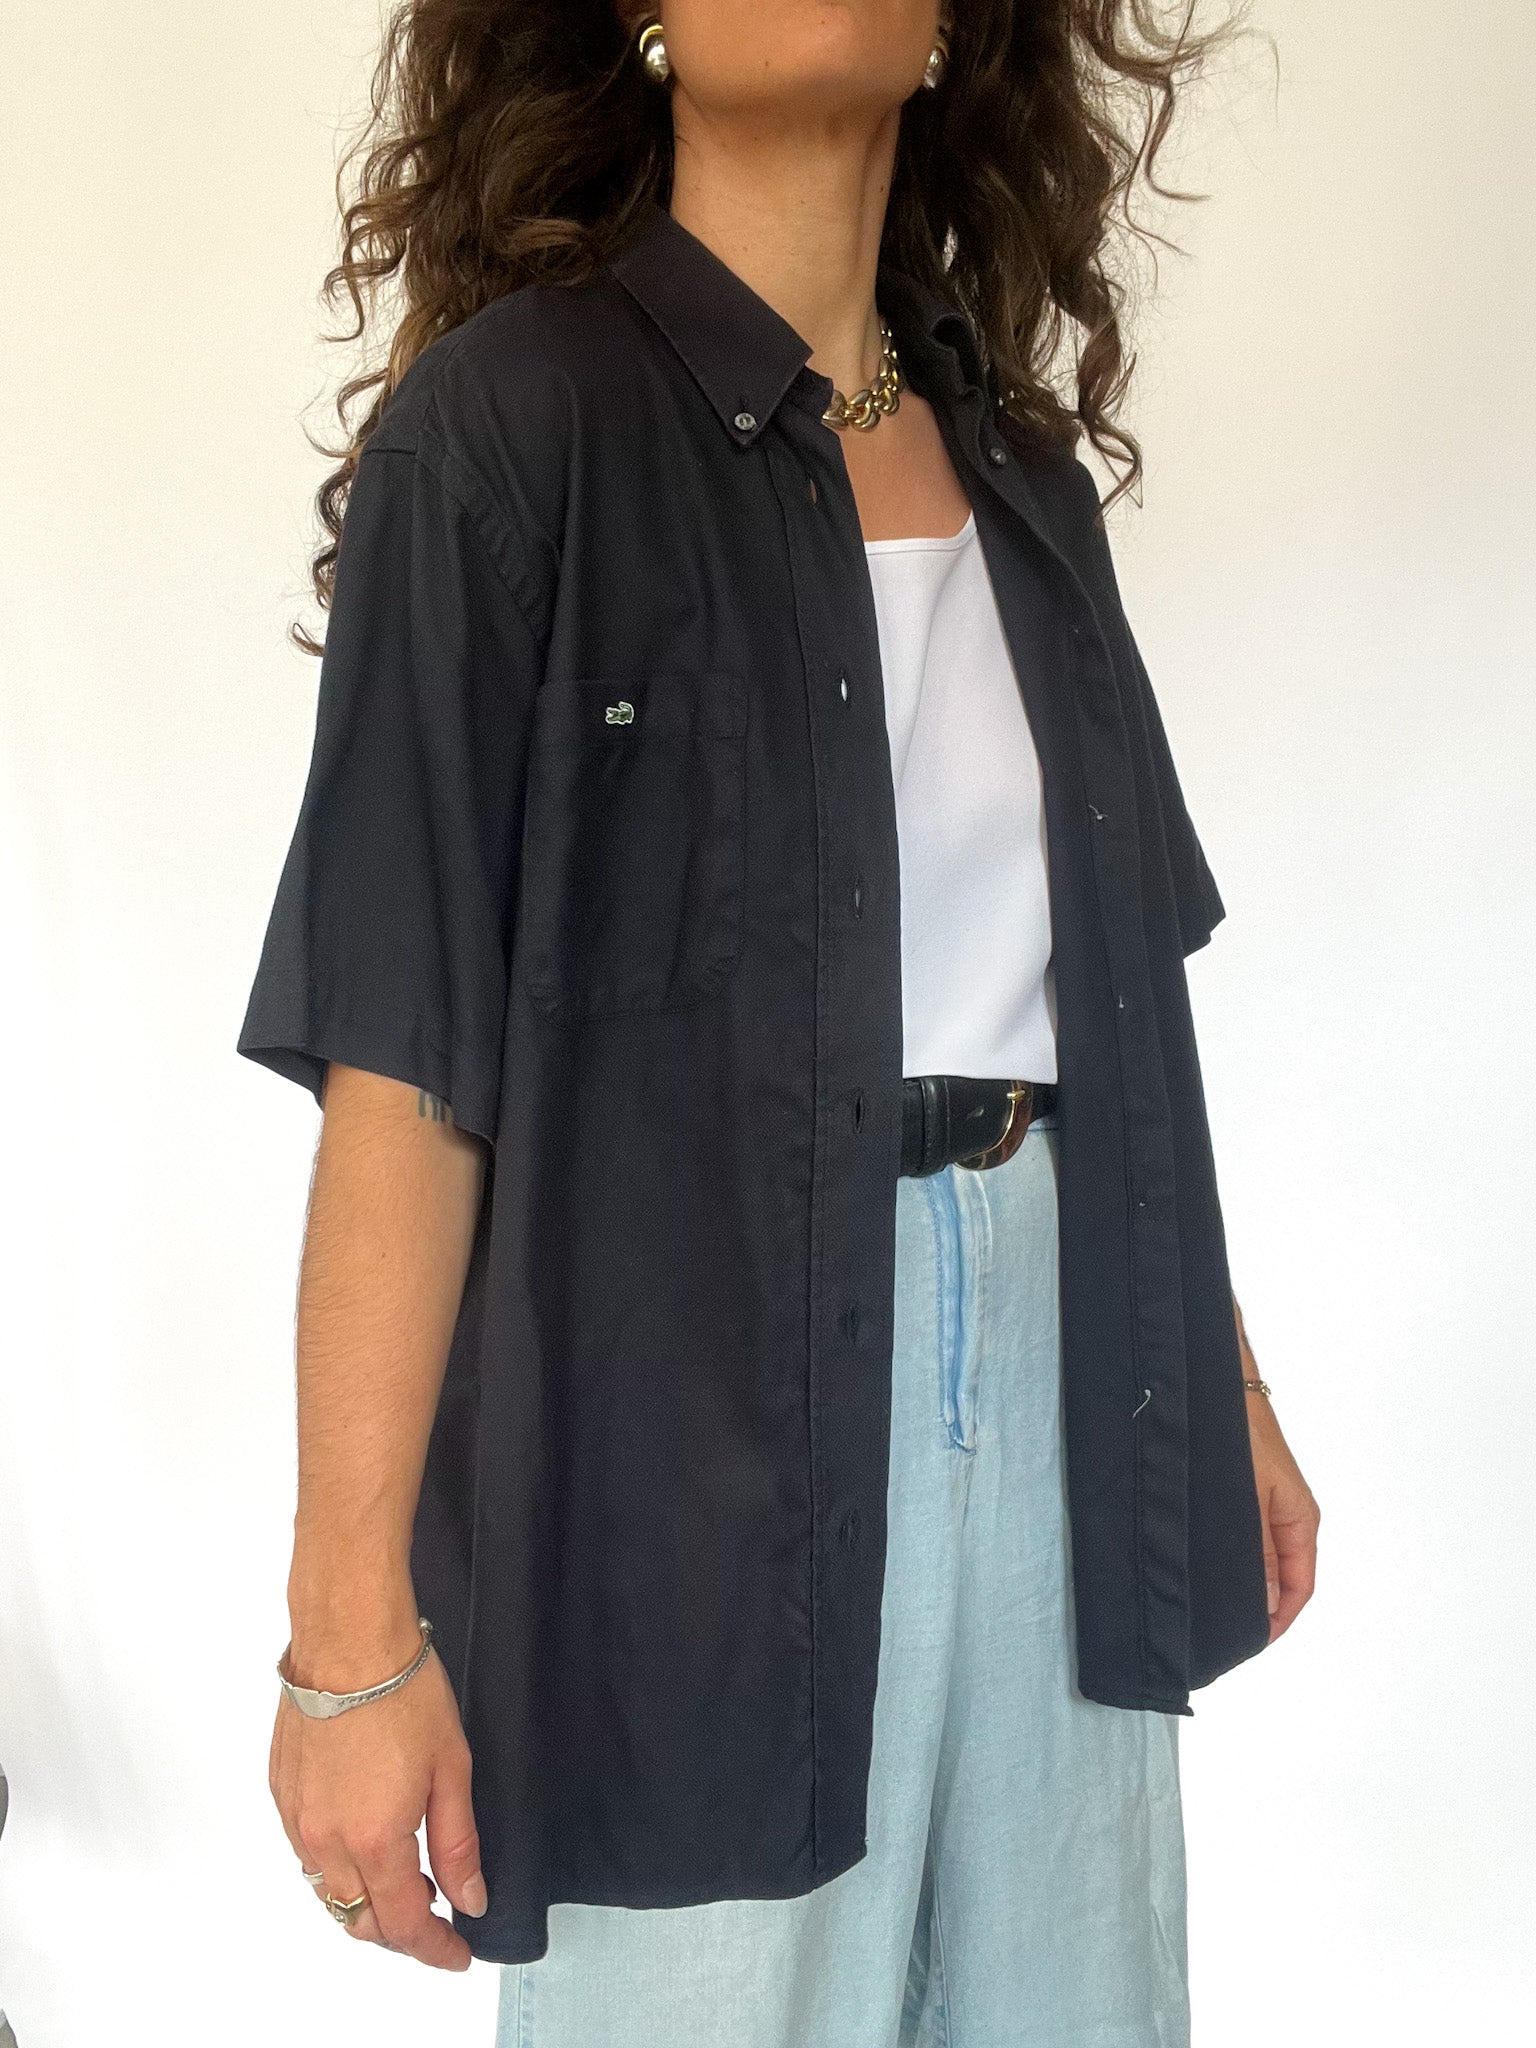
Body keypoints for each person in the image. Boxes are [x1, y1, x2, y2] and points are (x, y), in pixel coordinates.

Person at [237, 4, 1320, 2043]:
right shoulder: (511, 431)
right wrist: (347, 1641)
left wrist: (1228, 1378)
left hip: (1073, 1358)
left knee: (1076, 2007)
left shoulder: (1024, 480)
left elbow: (1106, 1008)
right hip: (681, 1424)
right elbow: (405, 1062)